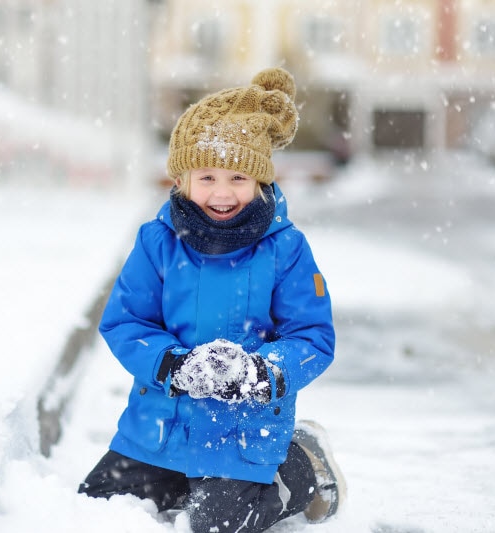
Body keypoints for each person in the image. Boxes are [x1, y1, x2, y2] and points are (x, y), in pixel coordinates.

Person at [78, 67, 346, 532]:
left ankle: (298, 469)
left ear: (260, 182)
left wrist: (259, 373)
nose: (222, 192)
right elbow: (126, 322)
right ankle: (187, 484)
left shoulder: (285, 248)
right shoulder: (157, 242)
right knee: (94, 507)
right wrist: (173, 367)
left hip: (242, 434)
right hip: (160, 427)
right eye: (206, 176)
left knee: (220, 525)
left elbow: (313, 336)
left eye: (238, 177)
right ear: (180, 180)